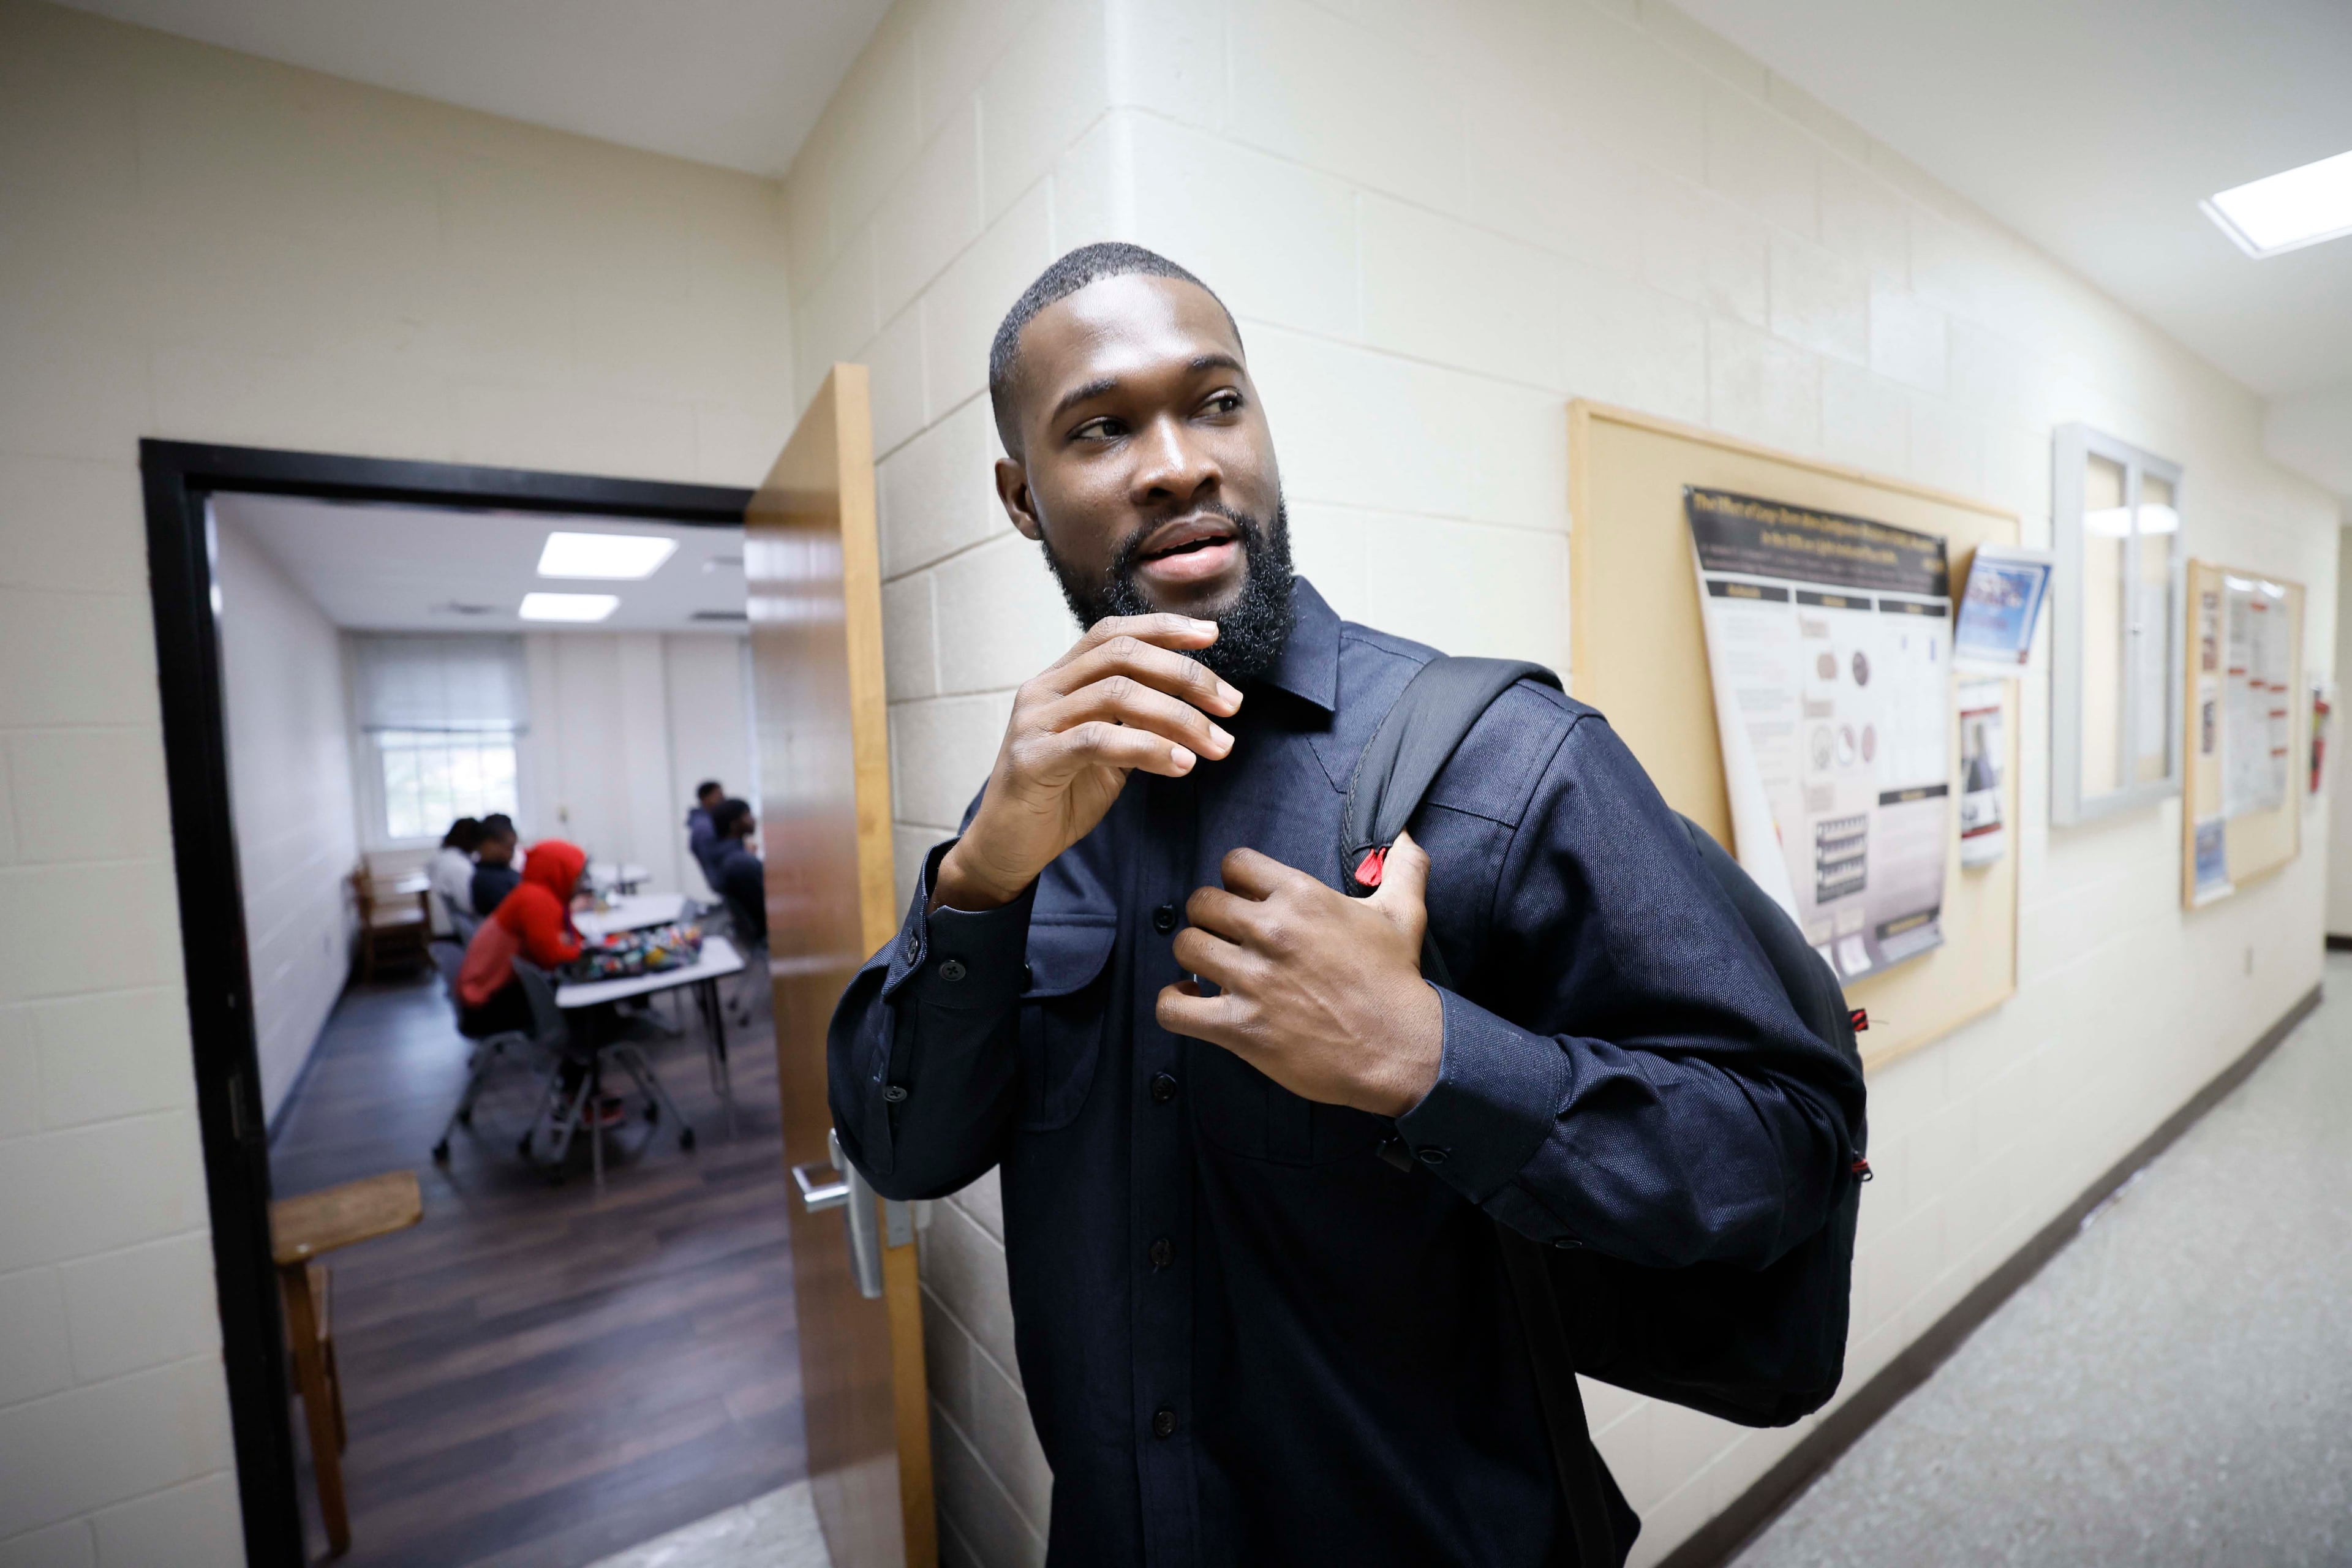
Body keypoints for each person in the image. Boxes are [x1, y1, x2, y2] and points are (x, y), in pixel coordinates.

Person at [826, 244, 1865, 1566]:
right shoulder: (1034, 795)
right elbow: (902, 1148)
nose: (1176, 462)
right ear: (1022, 499)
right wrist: (978, 875)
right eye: (1100, 428)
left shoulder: (1508, 763)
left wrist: (1430, 1054)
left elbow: (1784, 1146)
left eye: (1216, 403)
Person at [455, 839, 586, 1039]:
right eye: (577, 875)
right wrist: (593, 952)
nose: (581, 883)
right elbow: (555, 958)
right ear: (561, 871)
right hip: (489, 1006)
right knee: (590, 1000)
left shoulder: (534, 893)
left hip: (488, 995)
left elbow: (566, 943)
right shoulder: (536, 901)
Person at [707, 798, 766, 948]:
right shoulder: (741, 862)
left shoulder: (728, 855)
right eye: (747, 816)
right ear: (734, 825)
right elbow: (765, 908)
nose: (753, 820)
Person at [426, 817, 481, 937]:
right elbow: (469, 905)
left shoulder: (441, 858)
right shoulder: (457, 866)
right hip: (464, 928)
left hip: (450, 925)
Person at [470, 814, 522, 916]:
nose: (511, 854)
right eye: (508, 848)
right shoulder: (488, 880)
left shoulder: (503, 872)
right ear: (488, 844)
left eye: (512, 848)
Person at [687, 780, 728, 890]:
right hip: (724, 879)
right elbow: (714, 854)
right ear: (705, 798)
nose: (723, 798)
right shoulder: (704, 826)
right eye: (718, 794)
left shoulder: (709, 821)